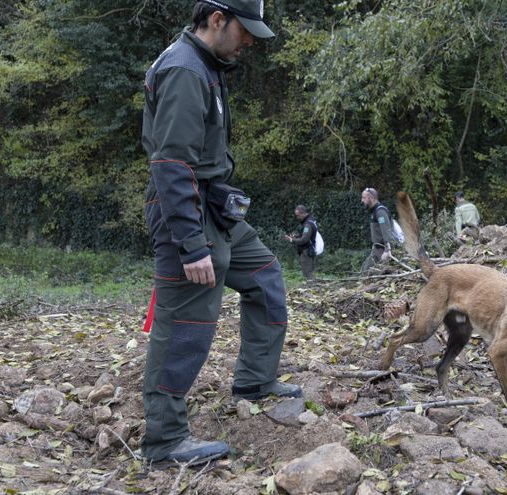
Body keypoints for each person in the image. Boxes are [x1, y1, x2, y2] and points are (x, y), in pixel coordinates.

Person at [140, 0, 300, 465]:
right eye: (245, 30)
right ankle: (165, 440)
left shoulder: (207, 65)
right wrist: (191, 246)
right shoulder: (185, 71)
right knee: (186, 322)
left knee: (266, 277)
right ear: (216, 19)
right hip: (185, 211)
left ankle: (254, 378)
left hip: (214, 205)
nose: (250, 40)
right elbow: (170, 163)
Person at [360, 188, 396, 274]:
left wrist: (387, 251)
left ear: (371, 198)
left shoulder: (380, 212)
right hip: (377, 249)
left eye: (364, 198)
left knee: (367, 272)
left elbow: (386, 231)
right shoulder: (374, 211)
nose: (362, 200)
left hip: (382, 250)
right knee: (365, 270)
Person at [285, 205, 317, 281]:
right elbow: (306, 235)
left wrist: (292, 240)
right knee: (307, 272)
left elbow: (304, 240)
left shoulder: (308, 224)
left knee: (307, 273)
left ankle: (311, 288)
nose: (297, 217)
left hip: (307, 250)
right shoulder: (309, 220)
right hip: (308, 249)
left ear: (303, 213)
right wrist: (296, 236)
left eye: (298, 215)